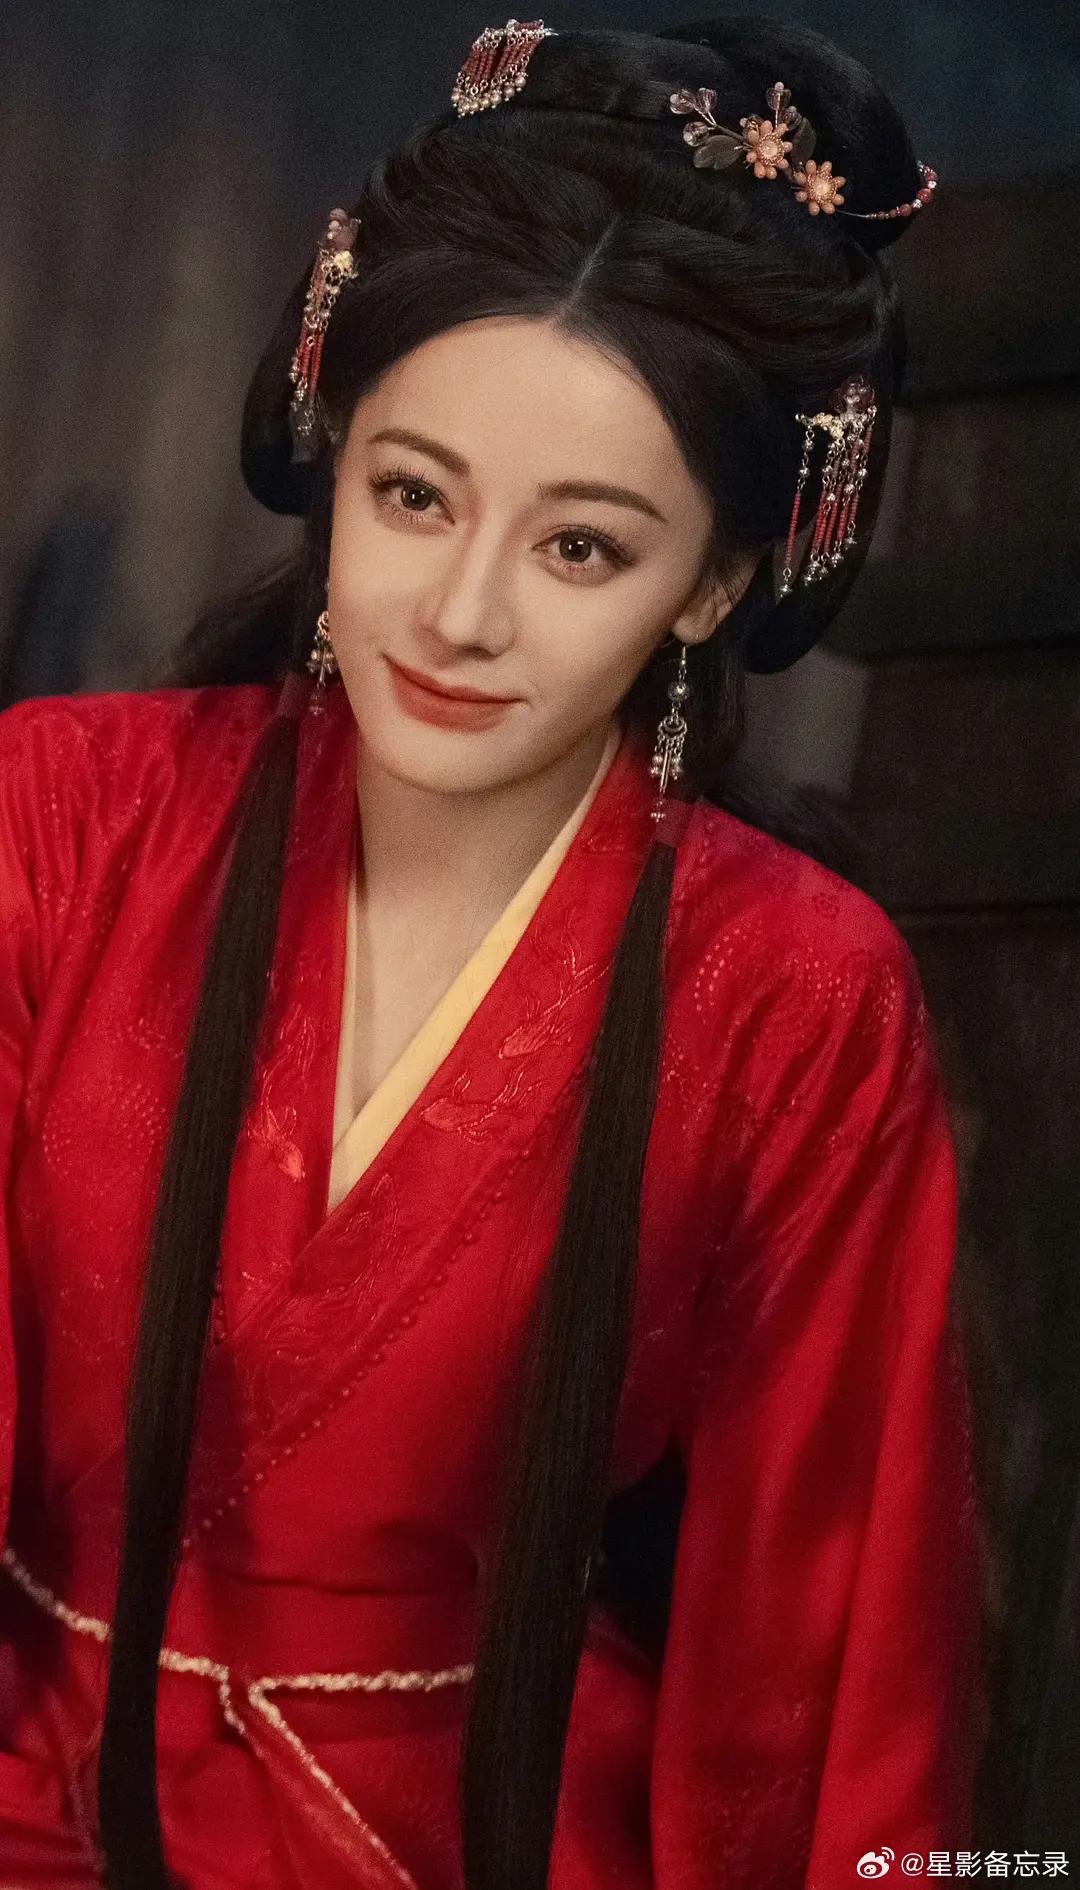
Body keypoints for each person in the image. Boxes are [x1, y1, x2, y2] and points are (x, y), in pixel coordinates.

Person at [0, 14, 983, 1889]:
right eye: (413, 494)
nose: (458, 614)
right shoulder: (55, 820)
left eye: (581, 549)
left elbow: (832, 1654)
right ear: (333, 452)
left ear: (713, 581)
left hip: (478, 1829)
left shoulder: (794, 995)